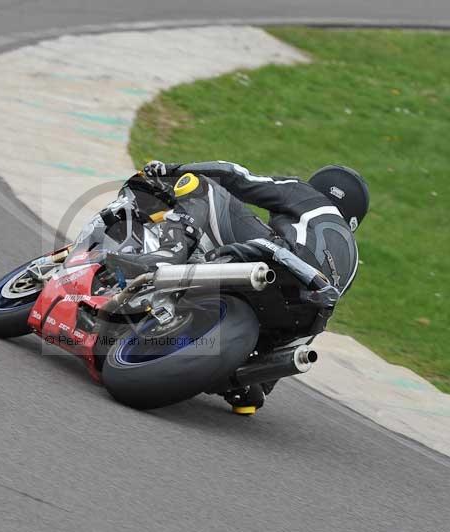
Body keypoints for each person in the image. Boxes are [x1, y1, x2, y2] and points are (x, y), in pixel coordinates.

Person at [107, 160, 370, 412]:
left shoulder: (307, 196)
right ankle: (253, 383)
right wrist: (264, 381)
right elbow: (320, 308)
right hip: (298, 321)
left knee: (202, 185)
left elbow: (233, 174)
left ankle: (169, 252)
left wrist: (172, 169)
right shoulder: (353, 263)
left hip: (276, 262)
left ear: (319, 186)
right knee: (318, 301)